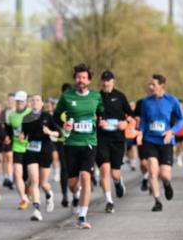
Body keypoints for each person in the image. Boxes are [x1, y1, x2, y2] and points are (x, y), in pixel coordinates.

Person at [54, 64, 102, 229]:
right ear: (75, 79)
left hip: (89, 142)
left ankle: (82, 215)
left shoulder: (96, 97)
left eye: (83, 77)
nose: (80, 80)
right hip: (71, 143)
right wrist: (63, 124)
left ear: (89, 80)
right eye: (78, 77)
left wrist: (101, 120)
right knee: (73, 183)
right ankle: (75, 194)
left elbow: (102, 112)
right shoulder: (66, 97)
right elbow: (55, 116)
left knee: (86, 177)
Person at [137, 74, 183, 213]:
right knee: (152, 170)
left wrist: (172, 131)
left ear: (162, 86)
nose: (150, 87)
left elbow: (181, 119)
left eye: (153, 84)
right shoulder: (146, 102)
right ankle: (157, 201)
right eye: (150, 84)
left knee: (165, 174)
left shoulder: (172, 100)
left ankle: (167, 184)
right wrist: (140, 132)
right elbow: (144, 120)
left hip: (166, 141)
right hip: (150, 140)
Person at [96, 69, 132, 213]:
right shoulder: (96, 97)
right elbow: (91, 116)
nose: (106, 83)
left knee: (114, 173)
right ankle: (109, 201)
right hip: (101, 138)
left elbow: (131, 114)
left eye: (109, 80)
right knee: (104, 169)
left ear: (113, 81)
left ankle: (118, 182)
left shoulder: (120, 96)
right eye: (104, 80)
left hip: (117, 138)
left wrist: (126, 123)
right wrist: (97, 122)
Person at [19, 94, 55, 221]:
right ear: (30, 103)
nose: (35, 102)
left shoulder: (47, 116)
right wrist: (22, 136)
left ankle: (49, 194)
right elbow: (24, 133)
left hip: (45, 149)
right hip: (31, 150)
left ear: (42, 104)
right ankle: (36, 210)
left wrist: (49, 132)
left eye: (38, 100)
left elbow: (58, 132)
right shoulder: (26, 118)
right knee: (34, 181)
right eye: (33, 100)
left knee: (43, 183)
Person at [7, 91, 31, 209]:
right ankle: (23, 198)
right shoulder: (11, 115)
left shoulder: (31, 113)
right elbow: (8, 130)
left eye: (21, 101)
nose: (19, 103)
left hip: (30, 148)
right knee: (17, 174)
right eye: (17, 101)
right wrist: (7, 137)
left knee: (29, 176)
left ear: (26, 102)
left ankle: (28, 189)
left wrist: (26, 134)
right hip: (17, 147)